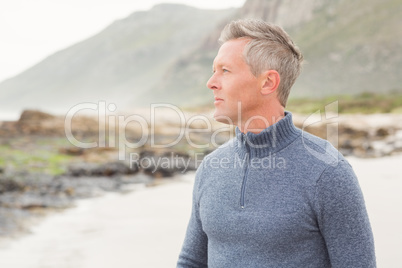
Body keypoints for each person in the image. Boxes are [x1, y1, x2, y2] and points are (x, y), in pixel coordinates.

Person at [177, 19, 376, 267]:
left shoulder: (327, 172)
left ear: (268, 82)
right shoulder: (210, 167)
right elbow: (191, 261)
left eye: (225, 71)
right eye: (213, 70)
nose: (211, 82)